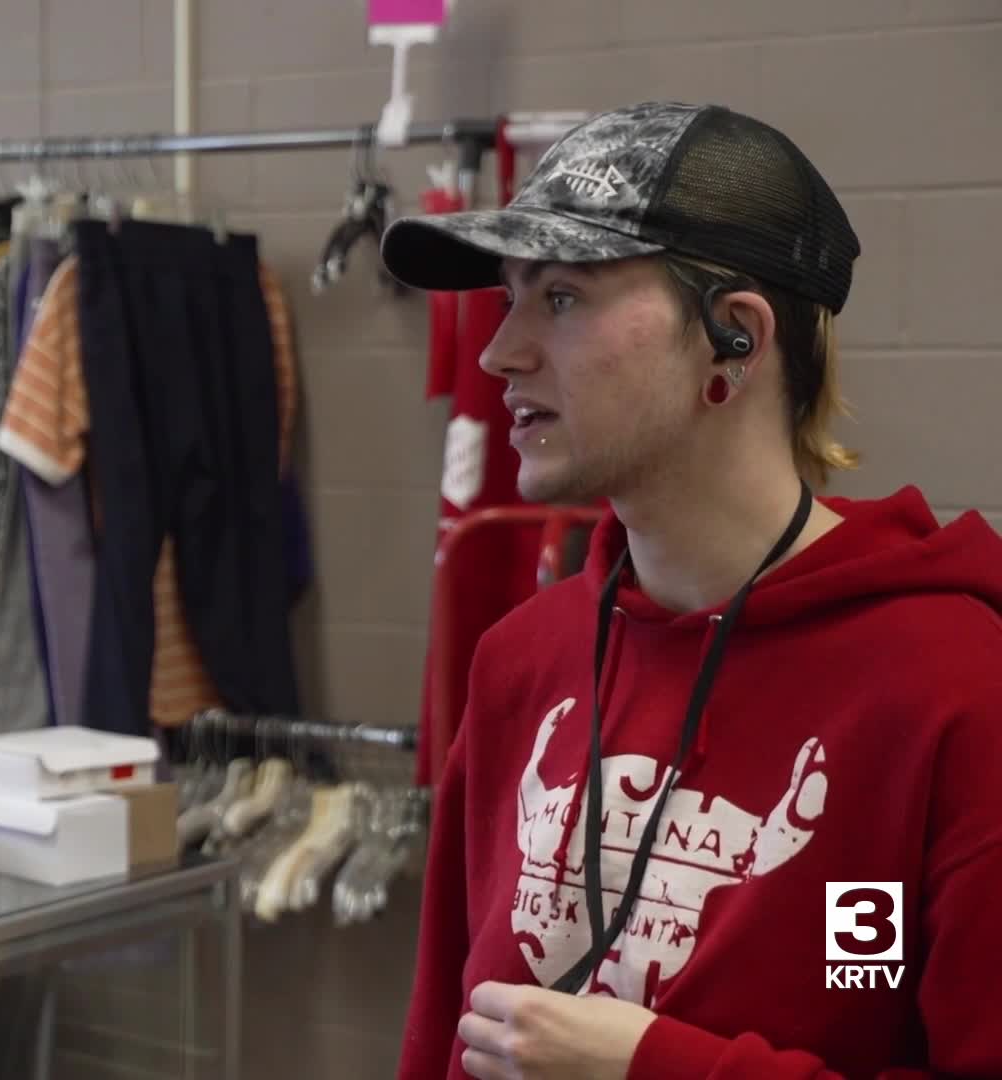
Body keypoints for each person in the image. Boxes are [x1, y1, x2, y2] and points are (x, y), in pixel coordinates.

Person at [379, 101, 1002, 1078]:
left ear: (734, 340)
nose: (499, 354)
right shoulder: (521, 661)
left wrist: (658, 1068)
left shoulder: (953, 690)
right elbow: (438, 1036)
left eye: (564, 299)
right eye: (510, 299)